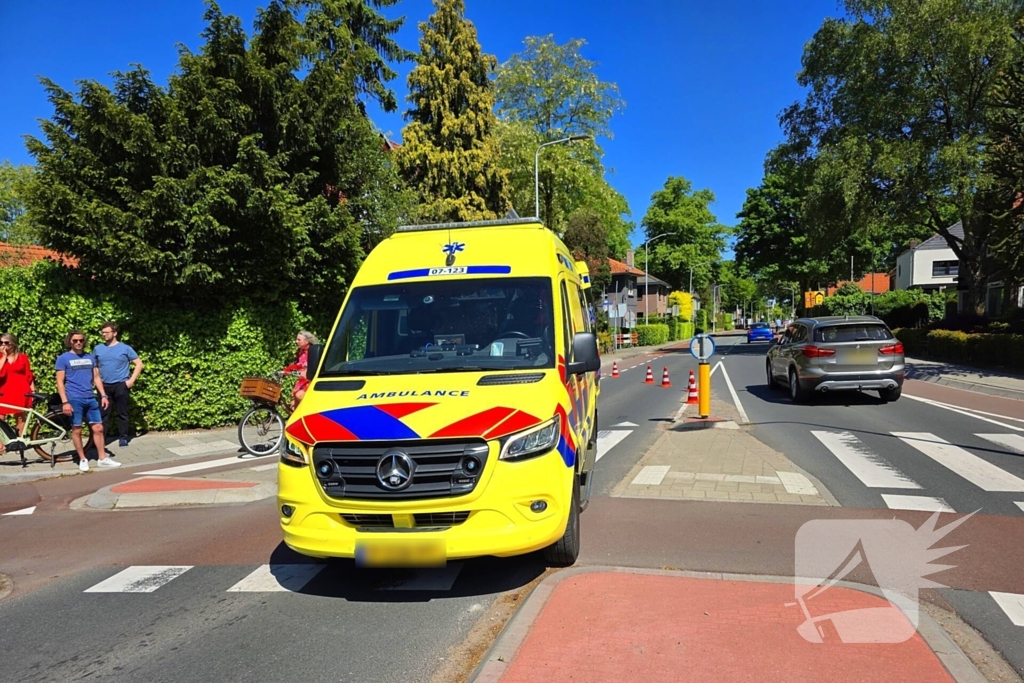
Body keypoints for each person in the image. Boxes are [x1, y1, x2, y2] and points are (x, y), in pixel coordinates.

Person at [56, 330, 120, 471]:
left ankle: (102, 458)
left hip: (90, 397)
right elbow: (60, 382)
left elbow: (96, 377)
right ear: (70, 342)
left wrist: (103, 395)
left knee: (98, 428)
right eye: (75, 340)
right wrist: (65, 402)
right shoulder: (63, 358)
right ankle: (82, 458)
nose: (78, 343)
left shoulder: (90, 357)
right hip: (74, 398)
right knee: (77, 429)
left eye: (81, 340)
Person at [93, 321, 143, 448]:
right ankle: (101, 440)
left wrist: (131, 381)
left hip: (121, 384)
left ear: (114, 333)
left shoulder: (125, 348)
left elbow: (139, 364)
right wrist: (96, 380)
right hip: (104, 386)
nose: (104, 334)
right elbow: (95, 367)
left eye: (106, 332)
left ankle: (123, 438)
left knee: (122, 412)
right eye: (102, 332)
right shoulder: (98, 349)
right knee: (103, 414)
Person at [0, 333, 35, 450]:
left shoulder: (22, 357)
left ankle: (21, 442)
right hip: (3, 390)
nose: (3, 345)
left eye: (6, 343)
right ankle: (2, 445)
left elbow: (28, 375)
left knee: (20, 417)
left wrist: (33, 391)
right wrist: (4, 357)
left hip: (20, 390)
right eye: (1, 343)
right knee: (0, 417)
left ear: (13, 344)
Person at [284, 331, 318, 412]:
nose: (296, 341)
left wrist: (292, 372)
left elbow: (310, 371)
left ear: (307, 341)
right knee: (293, 405)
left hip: (310, 381)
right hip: (302, 381)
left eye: (299, 340)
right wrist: (285, 371)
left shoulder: (313, 352)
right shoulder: (300, 352)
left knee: (299, 396)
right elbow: (296, 365)